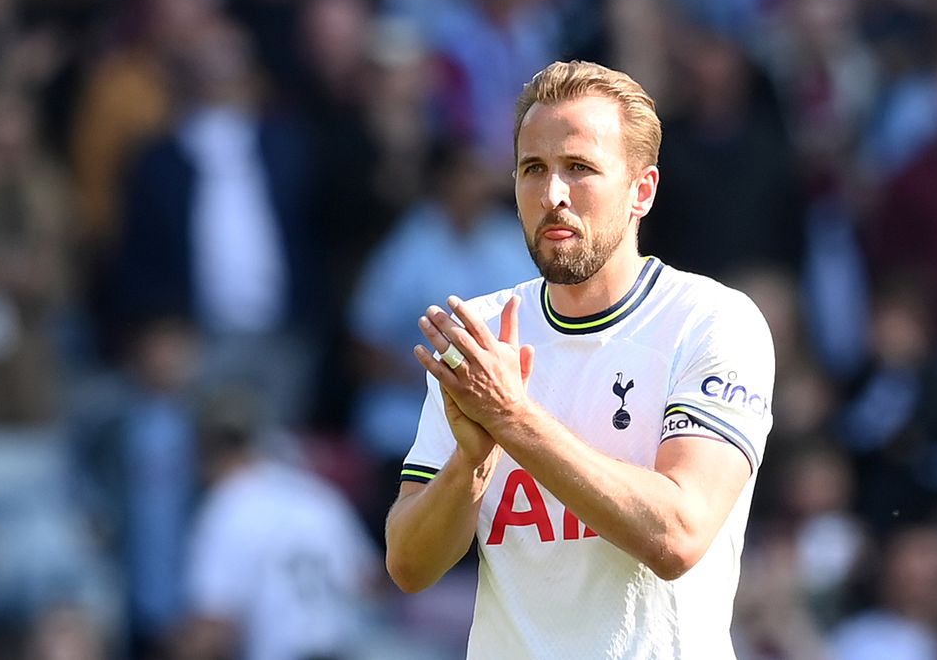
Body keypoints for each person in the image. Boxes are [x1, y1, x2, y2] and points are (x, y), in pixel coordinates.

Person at [384, 60, 776, 658]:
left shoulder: (711, 322)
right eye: (533, 169)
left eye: (580, 168)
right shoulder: (484, 335)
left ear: (641, 190)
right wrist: (471, 465)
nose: (553, 195)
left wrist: (513, 420)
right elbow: (409, 566)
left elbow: (678, 534)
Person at [181, 387, 379, 660]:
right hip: (342, 648)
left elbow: (215, 625)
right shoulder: (318, 494)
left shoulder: (226, 506)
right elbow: (370, 581)